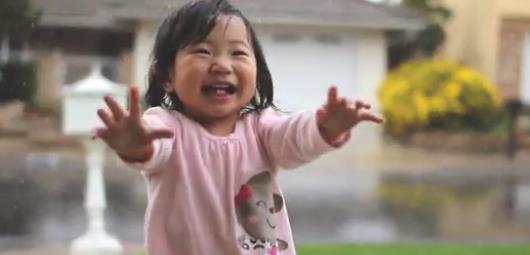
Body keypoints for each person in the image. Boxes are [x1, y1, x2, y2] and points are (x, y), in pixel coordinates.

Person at [93, 0, 383, 254]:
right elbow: (154, 146)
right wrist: (137, 145)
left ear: (257, 74)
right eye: (203, 51)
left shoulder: (261, 128)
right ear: (167, 75)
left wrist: (324, 127)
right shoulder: (167, 126)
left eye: (238, 53)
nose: (222, 65)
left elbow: (294, 139)